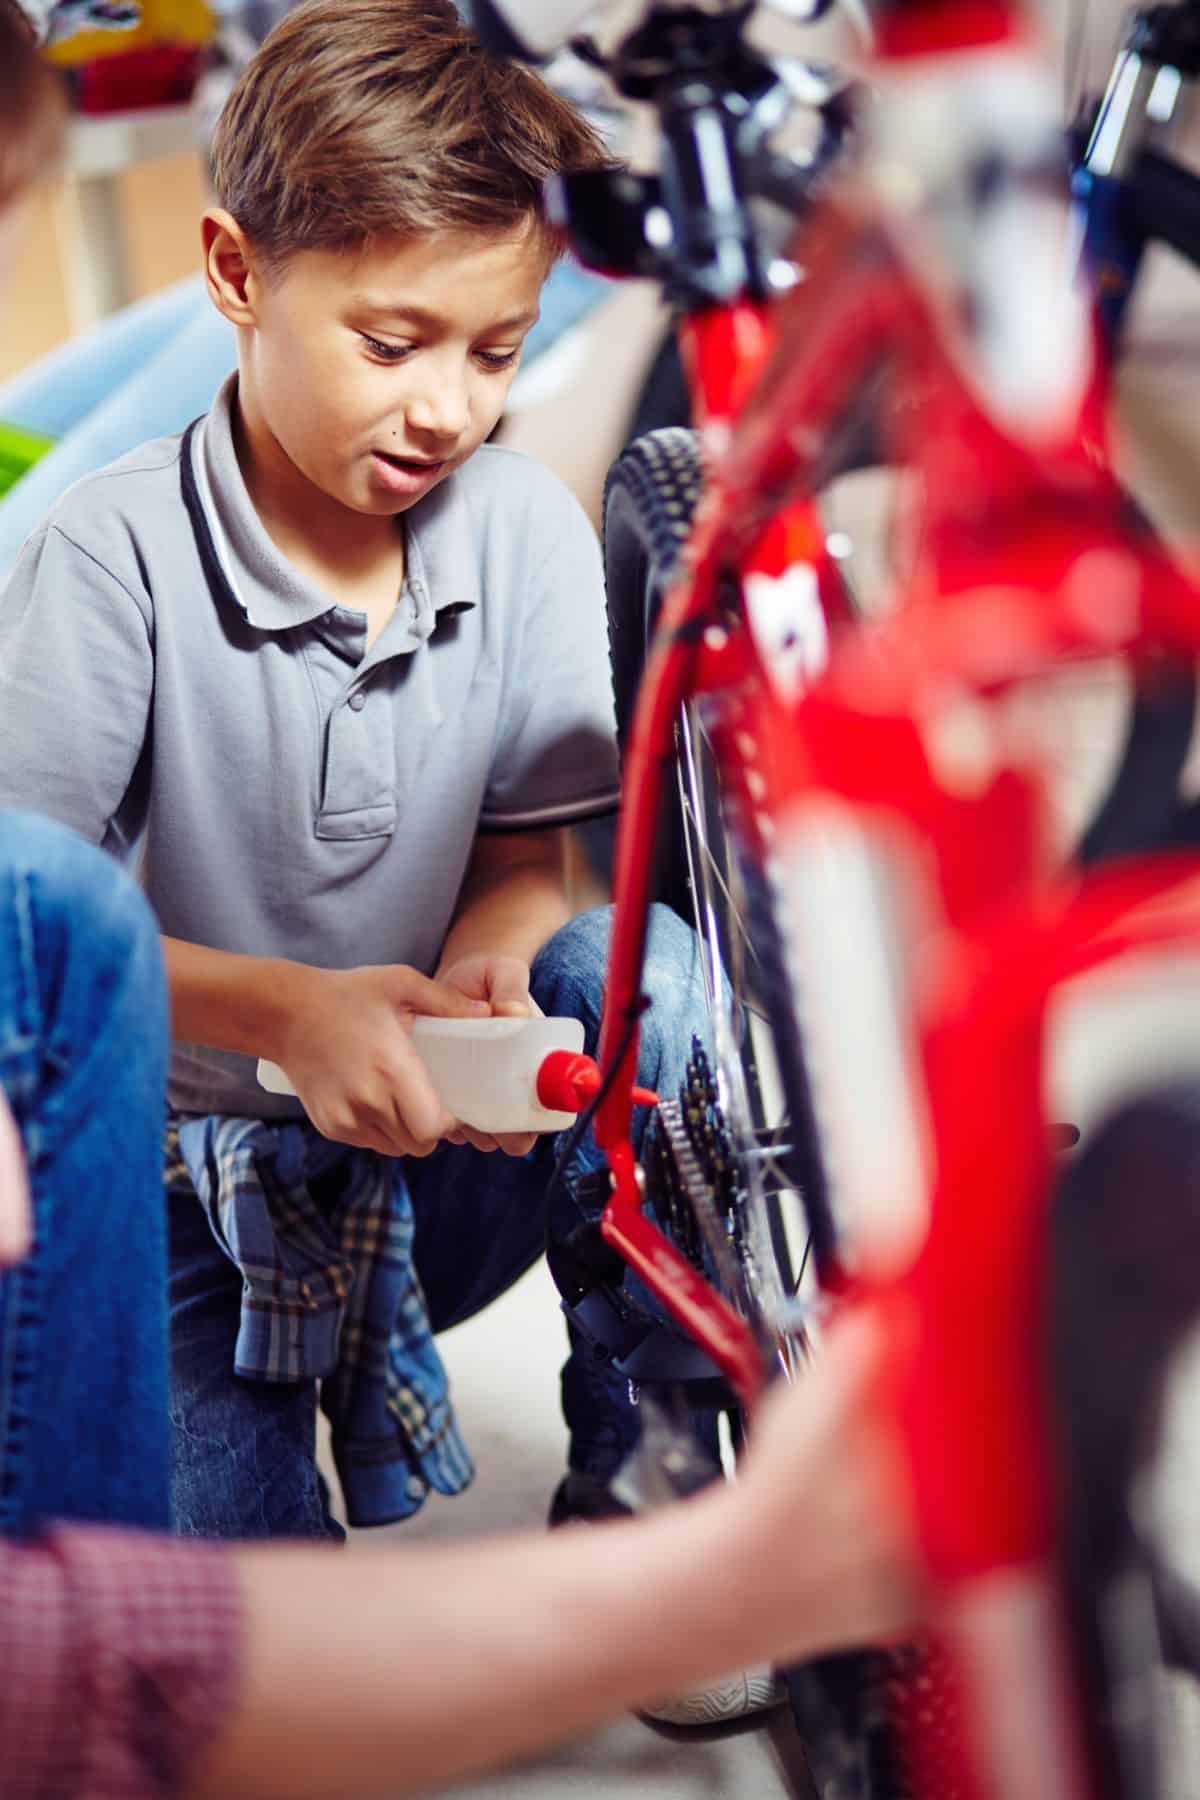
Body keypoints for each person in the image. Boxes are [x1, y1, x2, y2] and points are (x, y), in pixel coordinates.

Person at [0, 5, 916, 1792]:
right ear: (236, 272)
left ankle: (642, 1452)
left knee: (623, 961)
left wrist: (494, 974)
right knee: (233, 1664)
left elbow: (527, 859)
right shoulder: (95, 559)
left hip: (440, 1159)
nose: (452, 404)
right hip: (199, 1206)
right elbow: (27, 944)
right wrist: (292, 1013)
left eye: (497, 349)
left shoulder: (515, 529)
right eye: (396, 339)